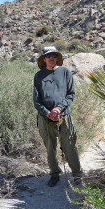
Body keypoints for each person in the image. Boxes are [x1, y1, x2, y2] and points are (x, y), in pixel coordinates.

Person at [33, 46, 83, 187]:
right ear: (44, 59)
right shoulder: (38, 76)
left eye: (54, 55)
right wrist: (47, 112)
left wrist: (58, 109)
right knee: (50, 147)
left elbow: (70, 94)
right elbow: (36, 100)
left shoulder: (65, 72)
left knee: (69, 145)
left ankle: (77, 175)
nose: (51, 58)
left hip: (64, 116)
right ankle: (54, 174)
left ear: (57, 58)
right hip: (45, 118)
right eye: (48, 56)